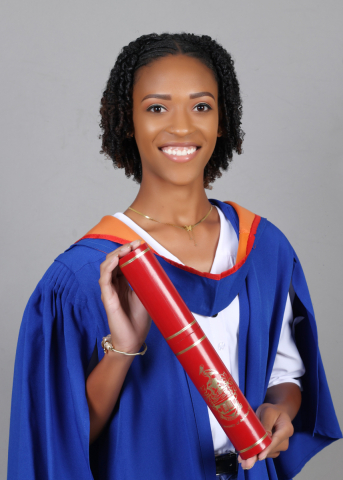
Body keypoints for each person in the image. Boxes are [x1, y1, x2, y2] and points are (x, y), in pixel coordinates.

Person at [7, 33, 341, 480]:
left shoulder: (263, 248)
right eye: (157, 107)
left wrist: (280, 408)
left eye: (201, 106)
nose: (182, 127)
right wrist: (122, 350)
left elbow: (286, 372)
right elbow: (58, 441)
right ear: (128, 122)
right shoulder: (87, 273)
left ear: (222, 120)